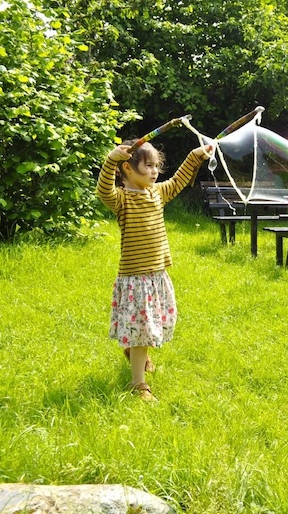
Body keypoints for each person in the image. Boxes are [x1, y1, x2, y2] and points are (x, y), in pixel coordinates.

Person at [96, 139, 211, 400]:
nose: (154, 171)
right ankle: (139, 384)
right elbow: (103, 191)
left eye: (156, 166)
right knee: (141, 334)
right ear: (127, 168)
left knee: (147, 328)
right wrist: (110, 159)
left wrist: (195, 156)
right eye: (148, 165)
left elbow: (179, 180)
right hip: (136, 279)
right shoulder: (122, 200)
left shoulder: (156, 193)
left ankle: (137, 354)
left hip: (157, 276)